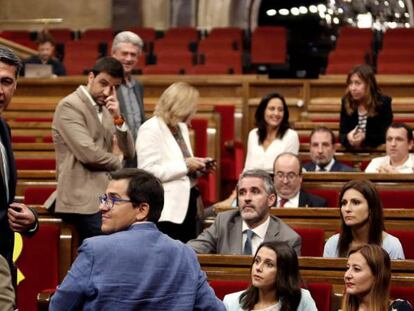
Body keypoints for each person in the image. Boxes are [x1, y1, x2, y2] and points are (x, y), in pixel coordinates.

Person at [50, 168, 225, 310]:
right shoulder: (185, 254)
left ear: (142, 210)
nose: (102, 207)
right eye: (104, 199)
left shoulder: (95, 249)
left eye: (113, 200)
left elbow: (59, 306)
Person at [52, 56, 135, 243]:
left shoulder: (107, 109)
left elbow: (129, 151)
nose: (107, 92)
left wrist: (118, 117)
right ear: (91, 77)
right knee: (105, 253)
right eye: (103, 83)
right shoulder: (70, 105)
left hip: (105, 198)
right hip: (81, 201)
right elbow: (89, 154)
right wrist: (117, 159)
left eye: (114, 87)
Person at [137, 81, 214, 243]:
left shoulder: (181, 127)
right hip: (167, 208)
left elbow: (182, 161)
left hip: (189, 201)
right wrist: (186, 166)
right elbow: (147, 172)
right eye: (192, 106)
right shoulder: (150, 129)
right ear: (181, 106)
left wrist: (199, 165)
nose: (194, 111)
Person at [187, 169, 301, 255]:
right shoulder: (224, 222)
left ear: (271, 200)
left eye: (255, 192)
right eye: (242, 192)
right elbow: (190, 251)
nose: (247, 198)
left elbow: (287, 283)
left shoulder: (287, 239)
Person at [0, 46, 39, 284]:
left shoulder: (3, 128)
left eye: (6, 81)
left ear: (15, 86)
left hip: (3, 254)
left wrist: (29, 219)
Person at [223, 241, 317, 311]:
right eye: (257, 261)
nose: (258, 268)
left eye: (269, 264)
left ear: (283, 271)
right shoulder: (232, 302)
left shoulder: (301, 299)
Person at [323, 179, 405, 259]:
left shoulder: (391, 245)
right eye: (344, 203)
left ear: (371, 208)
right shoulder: (333, 243)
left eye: (356, 202)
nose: (347, 209)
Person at [342, 244, 413, 311]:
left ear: (377, 275)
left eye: (357, 269)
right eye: (347, 268)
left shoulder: (400, 308)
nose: (347, 275)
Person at [111, 31, 145, 167]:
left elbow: (140, 120)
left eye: (133, 55)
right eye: (124, 54)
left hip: (137, 155)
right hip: (116, 154)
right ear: (113, 54)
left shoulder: (138, 86)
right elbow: (114, 119)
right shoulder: (107, 85)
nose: (129, 58)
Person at [339, 64, 393, 150]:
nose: (353, 88)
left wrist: (365, 137)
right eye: (351, 83)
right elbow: (342, 134)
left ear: (368, 84)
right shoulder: (346, 101)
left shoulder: (383, 102)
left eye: (357, 83)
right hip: (351, 152)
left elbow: (386, 134)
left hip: (376, 152)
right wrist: (348, 137)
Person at [244, 92, 299, 174]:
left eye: (280, 110)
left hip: (278, 184)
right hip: (253, 182)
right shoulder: (253, 134)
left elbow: (288, 171)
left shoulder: (291, 136)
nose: (276, 113)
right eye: (272, 109)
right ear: (263, 111)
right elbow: (248, 167)